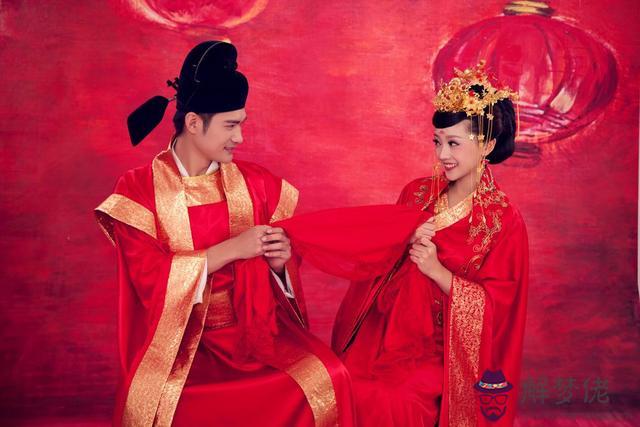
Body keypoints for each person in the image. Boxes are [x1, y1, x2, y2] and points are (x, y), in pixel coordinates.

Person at [95, 41, 354, 427]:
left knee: (329, 377)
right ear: (193, 123)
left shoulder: (258, 185)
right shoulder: (139, 191)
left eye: (241, 124)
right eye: (230, 126)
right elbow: (149, 281)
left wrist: (280, 264)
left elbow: (282, 276)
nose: (240, 138)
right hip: (183, 347)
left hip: (253, 336)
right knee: (159, 408)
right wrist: (232, 249)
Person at [329, 61, 529, 426]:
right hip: (388, 333)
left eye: (453, 143)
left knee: (392, 400)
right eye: (437, 142)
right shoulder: (416, 193)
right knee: (345, 382)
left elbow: (500, 312)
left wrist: (437, 272)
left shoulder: (503, 220)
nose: (442, 155)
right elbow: (376, 268)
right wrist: (399, 247)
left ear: (486, 144)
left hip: (447, 350)